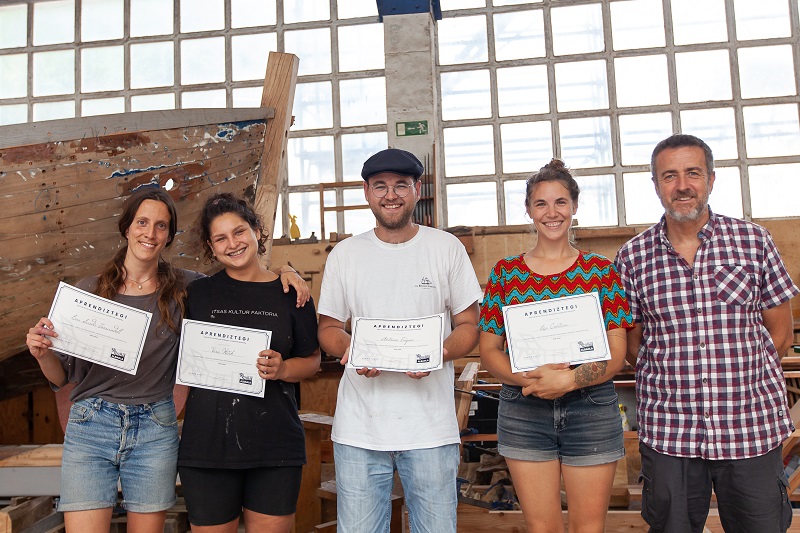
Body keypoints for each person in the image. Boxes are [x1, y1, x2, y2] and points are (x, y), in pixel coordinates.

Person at [24, 187, 307, 533]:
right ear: (126, 228)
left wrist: (285, 270)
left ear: (170, 236)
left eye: (161, 226)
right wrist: (43, 353)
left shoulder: (187, 288)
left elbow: (241, 278)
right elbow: (60, 377)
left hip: (154, 426)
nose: (150, 233)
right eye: (142, 222)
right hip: (92, 424)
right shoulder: (89, 291)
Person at [615, 133, 798, 533]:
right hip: (670, 432)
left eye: (692, 173)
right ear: (656, 184)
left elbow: (780, 333)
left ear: (711, 179)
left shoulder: (754, 242)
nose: (682, 185)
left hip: (750, 425)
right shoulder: (632, 257)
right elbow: (632, 346)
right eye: (669, 176)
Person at [316, 148, 482, 533]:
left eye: (401, 185)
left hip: (430, 429)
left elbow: (469, 325)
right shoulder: (346, 254)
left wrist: (436, 353)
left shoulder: (446, 248)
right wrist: (352, 351)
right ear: (366, 192)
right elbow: (328, 329)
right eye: (381, 186)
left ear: (417, 189)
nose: (391, 195)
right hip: (360, 429)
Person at [478, 158, 632, 533]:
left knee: (588, 528)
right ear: (529, 210)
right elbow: (488, 350)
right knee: (542, 529)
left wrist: (569, 381)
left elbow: (617, 352)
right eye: (541, 203)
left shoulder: (600, 270)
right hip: (524, 409)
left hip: (591, 408)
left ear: (574, 207)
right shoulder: (506, 273)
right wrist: (530, 379)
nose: (552, 212)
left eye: (560, 202)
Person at [177, 193, 321, 533]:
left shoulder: (293, 294)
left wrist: (284, 369)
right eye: (220, 238)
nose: (233, 243)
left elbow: (313, 361)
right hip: (208, 446)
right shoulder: (196, 294)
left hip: (274, 445)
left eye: (239, 232)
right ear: (211, 248)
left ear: (258, 231)